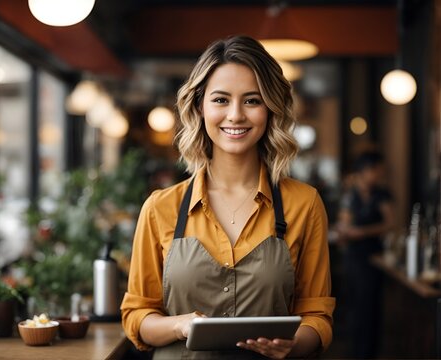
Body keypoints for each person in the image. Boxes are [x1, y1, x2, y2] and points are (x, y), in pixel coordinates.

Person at [121, 35, 335, 359]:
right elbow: (137, 316)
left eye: (252, 100)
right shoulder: (160, 208)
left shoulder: (304, 205)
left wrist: (293, 346)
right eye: (221, 100)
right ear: (199, 106)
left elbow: (317, 315)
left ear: (270, 108)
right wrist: (180, 325)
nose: (235, 115)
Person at [337, 151, 394, 359]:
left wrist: (362, 232)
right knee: (355, 306)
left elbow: (389, 224)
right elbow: (344, 224)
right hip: (353, 257)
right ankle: (356, 351)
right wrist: (346, 232)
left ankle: (369, 352)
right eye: (376, 170)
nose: (379, 174)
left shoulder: (381, 194)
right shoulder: (350, 194)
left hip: (374, 258)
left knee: (371, 307)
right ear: (365, 170)